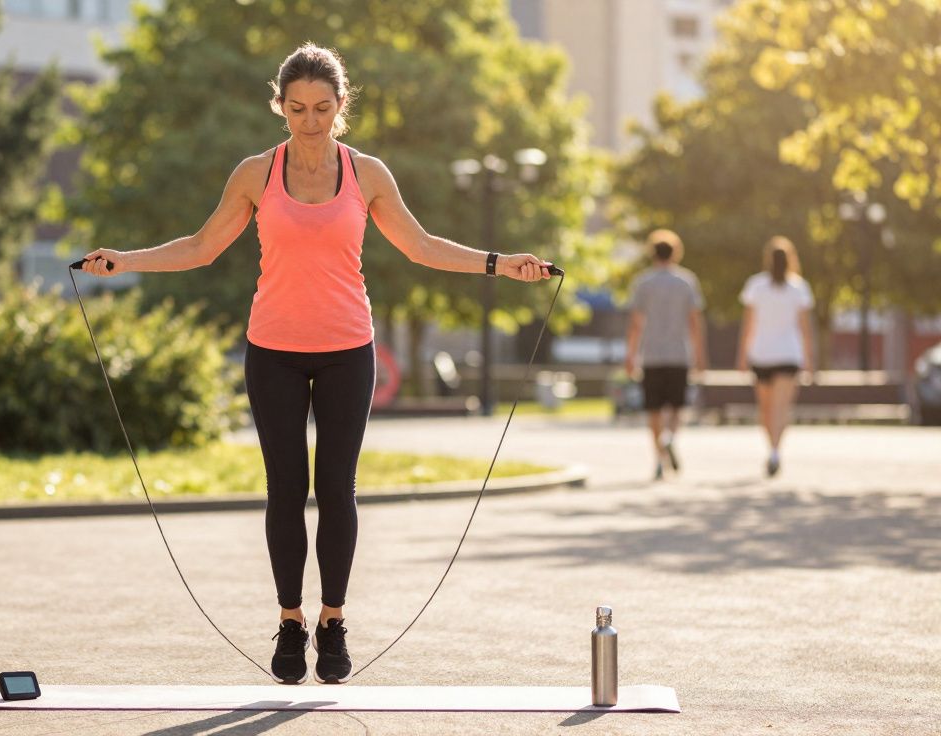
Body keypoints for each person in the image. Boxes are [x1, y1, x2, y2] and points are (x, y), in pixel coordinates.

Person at [78, 43, 554, 685]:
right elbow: (199, 246)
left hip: (346, 350)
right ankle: (290, 620)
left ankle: (332, 621)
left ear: (341, 106)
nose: (310, 120)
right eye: (297, 108)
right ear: (281, 106)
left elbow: (420, 246)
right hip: (272, 349)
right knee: (284, 491)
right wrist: (126, 259)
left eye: (323, 108)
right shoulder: (255, 174)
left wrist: (502, 263)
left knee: (336, 489)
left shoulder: (367, 174)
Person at [624, 230, 706, 480]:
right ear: (676, 252)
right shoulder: (686, 282)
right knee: (676, 407)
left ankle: (659, 456)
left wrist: (630, 355)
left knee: (654, 410)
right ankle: (670, 437)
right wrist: (700, 355)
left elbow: (636, 323)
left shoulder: (643, 283)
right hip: (679, 354)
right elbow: (694, 322)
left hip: (651, 355)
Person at [736, 237, 814, 477]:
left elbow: (747, 325)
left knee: (766, 409)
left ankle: (771, 448)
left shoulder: (755, 286)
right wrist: (810, 359)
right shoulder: (799, 288)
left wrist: (742, 355)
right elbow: (805, 329)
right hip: (789, 354)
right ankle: (776, 451)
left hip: (762, 354)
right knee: (781, 408)